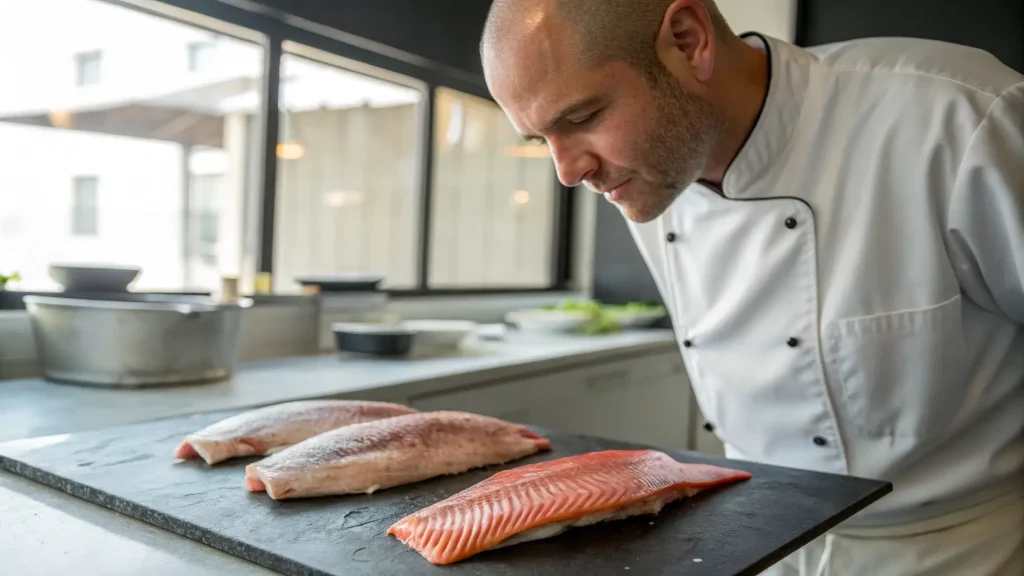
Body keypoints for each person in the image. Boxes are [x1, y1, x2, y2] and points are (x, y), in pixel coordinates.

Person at [479, 0, 1024, 574]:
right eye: (542, 140)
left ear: (689, 41)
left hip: (962, 548)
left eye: (583, 116)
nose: (568, 173)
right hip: (764, 539)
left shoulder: (959, 116)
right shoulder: (648, 176)